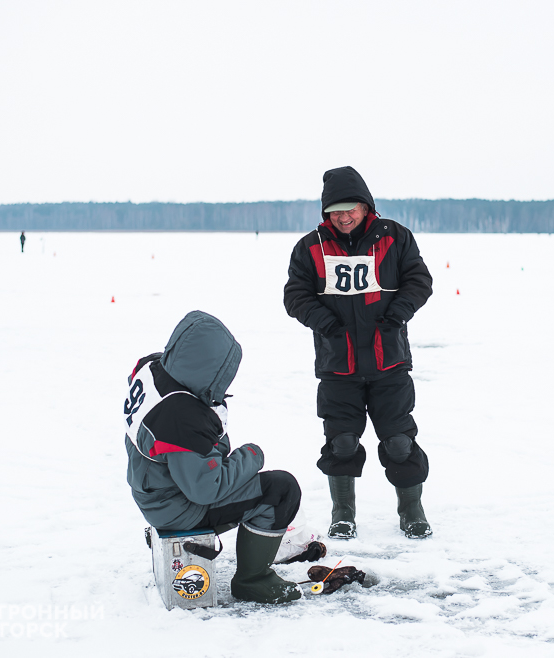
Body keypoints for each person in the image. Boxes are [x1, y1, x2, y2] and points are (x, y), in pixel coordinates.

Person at [283, 166, 434, 539]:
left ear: (366, 207)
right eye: (336, 211)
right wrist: (326, 322)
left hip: (389, 363)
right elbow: (295, 295)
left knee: (399, 443)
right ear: (326, 214)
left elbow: (419, 280)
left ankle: (411, 511)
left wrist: (399, 312)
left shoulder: (396, 238)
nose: (345, 216)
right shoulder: (310, 247)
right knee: (342, 443)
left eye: (351, 208)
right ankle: (343, 513)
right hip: (339, 367)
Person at [123, 310, 302, 604]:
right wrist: (252, 456)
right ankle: (252, 580)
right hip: (178, 507)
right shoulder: (181, 416)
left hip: (152, 490)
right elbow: (206, 489)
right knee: (281, 489)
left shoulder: (153, 367)